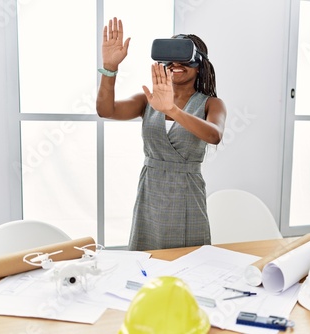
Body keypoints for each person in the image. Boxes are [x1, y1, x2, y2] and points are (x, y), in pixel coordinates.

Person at [96, 17, 227, 251]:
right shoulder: (147, 101)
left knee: (187, 261)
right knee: (145, 259)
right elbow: (106, 110)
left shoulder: (212, 104)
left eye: (183, 57)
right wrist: (110, 69)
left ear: (199, 64)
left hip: (187, 193)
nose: (175, 63)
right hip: (151, 190)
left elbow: (214, 135)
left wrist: (172, 110)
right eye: (169, 57)